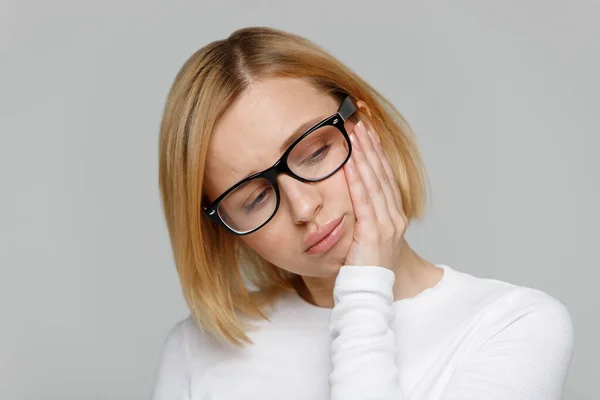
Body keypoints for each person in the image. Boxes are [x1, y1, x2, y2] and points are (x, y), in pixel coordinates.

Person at [152, 27, 574, 400]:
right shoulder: (196, 350)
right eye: (255, 199)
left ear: (364, 126)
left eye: (314, 152)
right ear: (225, 229)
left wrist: (364, 290)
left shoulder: (514, 325)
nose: (303, 207)